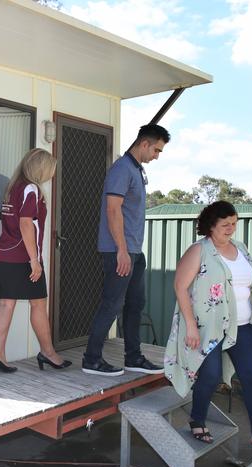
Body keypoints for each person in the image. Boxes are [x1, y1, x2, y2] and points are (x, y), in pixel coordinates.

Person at [164, 201, 252, 464]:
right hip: (209, 327)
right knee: (211, 375)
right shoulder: (198, 251)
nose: (231, 229)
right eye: (225, 224)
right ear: (211, 225)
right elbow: (180, 287)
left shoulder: (242, 249)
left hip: (244, 325)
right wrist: (190, 326)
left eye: (234, 223)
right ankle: (197, 418)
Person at [82, 124, 170, 376]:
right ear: (144, 143)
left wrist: (131, 250)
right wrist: (121, 249)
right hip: (119, 251)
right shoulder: (122, 169)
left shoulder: (136, 170)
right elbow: (113, 210)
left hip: (133, 250)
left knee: (135, 304)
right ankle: (91, 359)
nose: (156, 155)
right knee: (112, 304)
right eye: (156, 150)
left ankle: (134, 357)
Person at [0, 148, 71, 374]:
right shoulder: (31, 189)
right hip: (23, 258)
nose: (52, 174)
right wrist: (34, 261)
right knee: (38, 304)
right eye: (51, 170)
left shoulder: (13, 187)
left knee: (6, 303)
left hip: (4, 253)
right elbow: (26, 224)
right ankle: (48, 353)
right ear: (41, 169)